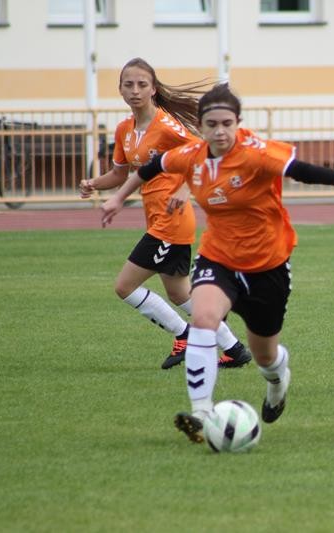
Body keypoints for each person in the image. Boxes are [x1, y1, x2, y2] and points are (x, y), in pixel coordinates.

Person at [100, 83, 334, 443]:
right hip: (218, 258)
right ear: (201, 126)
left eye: (227, 124)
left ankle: (277, 382)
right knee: (203, 319)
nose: (220, 131)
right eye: (212, 124)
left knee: (266, 357)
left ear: (238, 123)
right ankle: (201, 413)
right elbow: (151, 167)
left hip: (267, 265)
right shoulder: (192, 155)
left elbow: (302, 169)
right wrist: (118, 198)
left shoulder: (255, 153)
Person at [79, 58, 252, 370]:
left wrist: (186, 189)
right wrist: (93, 183)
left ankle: (184, 334)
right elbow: (119, 174)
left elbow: (206, 153)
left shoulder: (167, 127)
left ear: (153, 89)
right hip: (157, 219)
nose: (135, 90)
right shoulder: (125, 130)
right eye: (128, 84)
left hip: (171, 222)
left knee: (124, 286)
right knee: (180, 294)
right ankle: (234, 349)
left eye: (142, 84)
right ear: (120, 90)